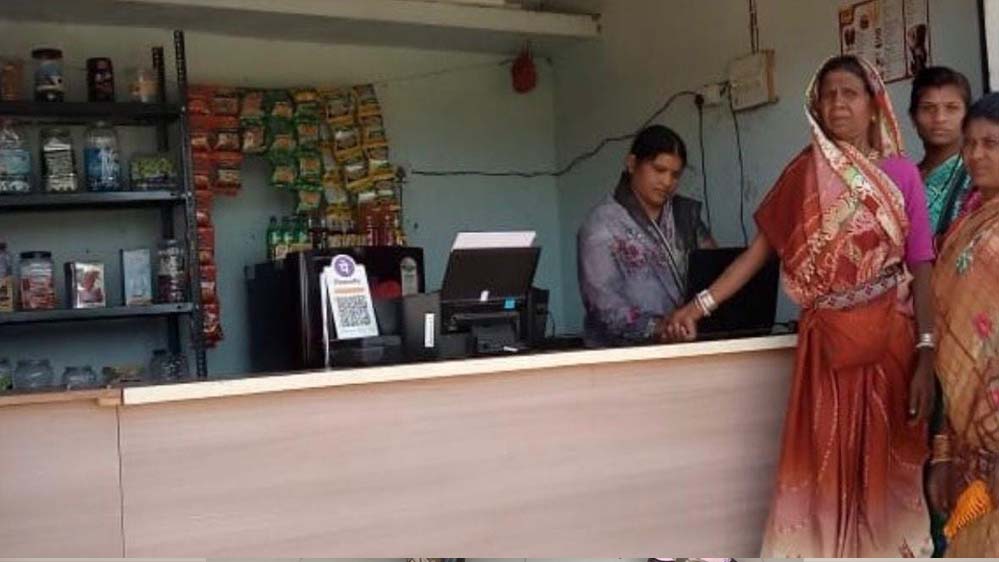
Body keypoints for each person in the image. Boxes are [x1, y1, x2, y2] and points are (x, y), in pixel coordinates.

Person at [667, 55, 936, 557]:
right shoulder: (803, 175)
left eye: (850, 93)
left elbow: (921, 263)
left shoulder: (900, 174)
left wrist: (926, 351)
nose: (838, 104)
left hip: (890, 347)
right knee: (824, 460)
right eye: (828, 94)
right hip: (825, 350)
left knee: (885, 463)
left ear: (873, 105)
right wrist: (698, 306)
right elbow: (758, 254)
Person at [928, 92, 999, 557]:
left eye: (991, 143)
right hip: (967, 448)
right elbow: (949, 347)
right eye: (970, 143)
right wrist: (943, 452)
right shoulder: (963, 228)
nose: (976, 154)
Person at [577, 125, 715, 347]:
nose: (667, 182)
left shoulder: (685, 217)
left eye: (675, 175)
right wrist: (663, 328)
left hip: (690, 342)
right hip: (625, 355)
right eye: (659, 170)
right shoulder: (601, 226)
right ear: (632, 164)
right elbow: (605, 308)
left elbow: (715, 273)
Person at [910, 66, 975, 237]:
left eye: (952, 108)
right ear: (913, 118)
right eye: (928, 108)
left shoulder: (977, 176)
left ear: (968, 117)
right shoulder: (905, 179)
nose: (940, 118)